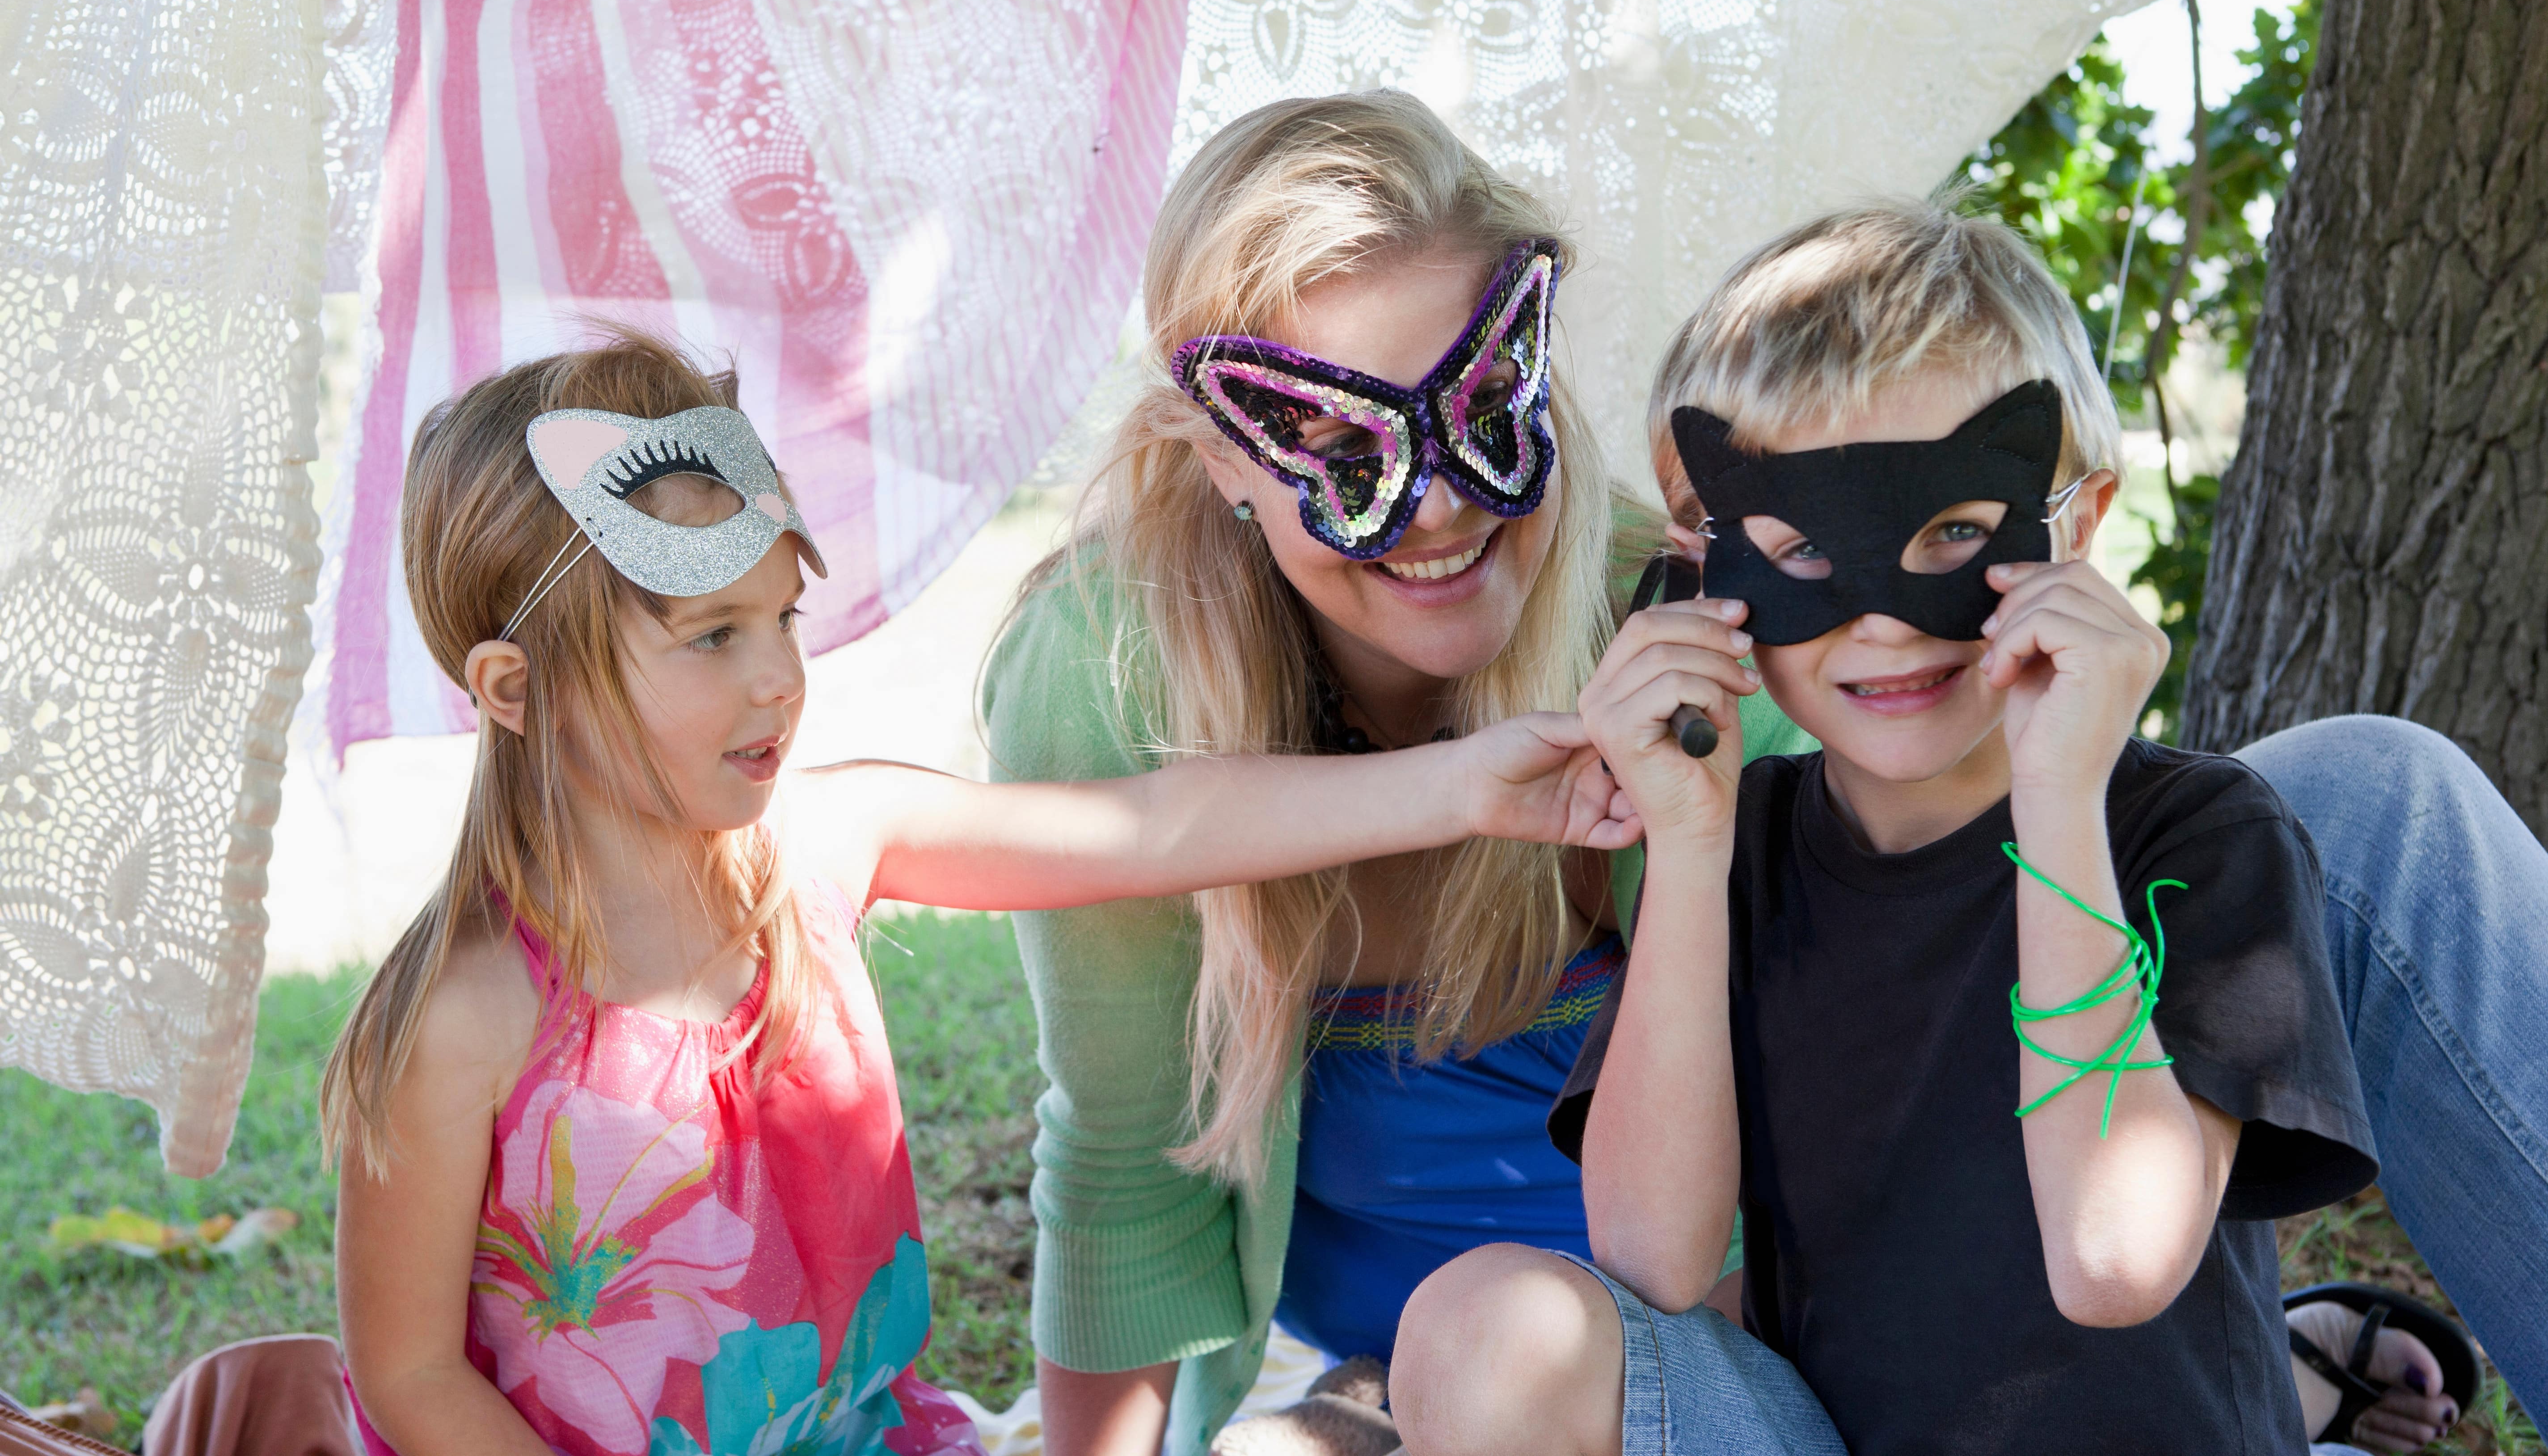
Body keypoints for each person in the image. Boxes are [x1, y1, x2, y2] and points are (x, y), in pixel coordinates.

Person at [319, 332, 1656, 1456]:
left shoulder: (818, 847)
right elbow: (411, 1377)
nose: (778, 679)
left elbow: (1147, 826)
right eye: (710, 637)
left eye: (782, 618)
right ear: (514, 691)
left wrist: (1465, 785)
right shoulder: (466, 1015)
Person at [1386, 201, 2492, 1456]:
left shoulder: (2190, 834)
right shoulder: (1739, 847)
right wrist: (1686, 851)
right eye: (1798, 548)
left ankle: (2311, 1401)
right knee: (1482, 1322)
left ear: (2072, 527)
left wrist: (2059, 800)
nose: (1884, 623)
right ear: (1703, 563)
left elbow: (2110, 1261)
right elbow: (1652, 1257)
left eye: (1954, 533)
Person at [982, 90, 1817, 1456]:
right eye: (1337, 449)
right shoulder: (1107, 679)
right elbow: (1129, 1165)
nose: (1435, 510)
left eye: (1485, 406)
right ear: (1222, 464)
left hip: (1697, 1354)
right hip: (1358, 1383)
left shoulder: (1673, 633)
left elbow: (1844, 1137)